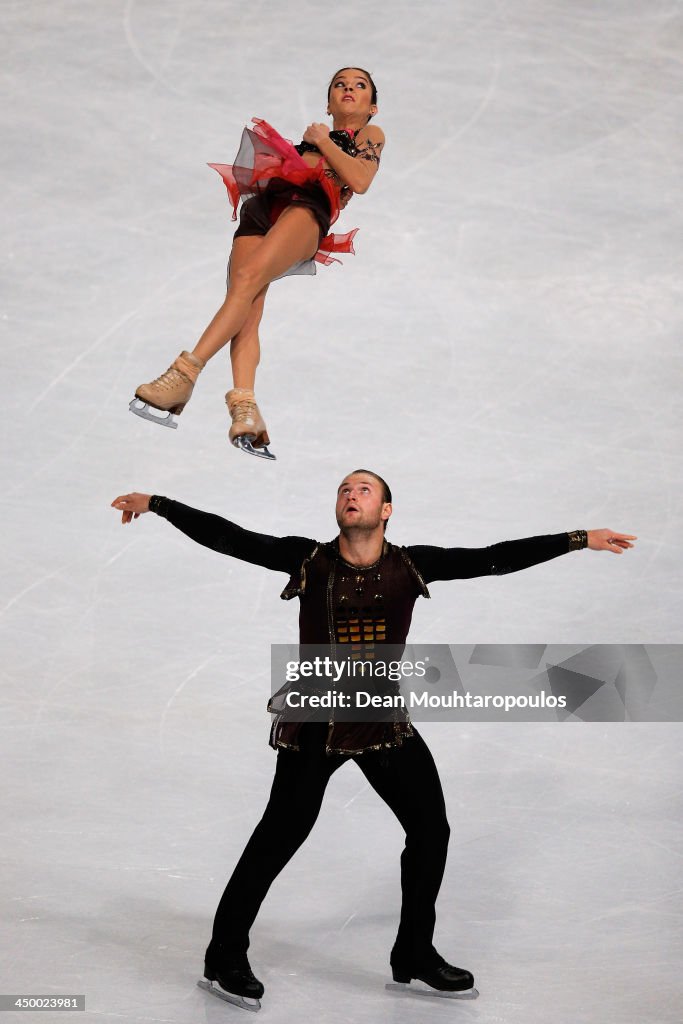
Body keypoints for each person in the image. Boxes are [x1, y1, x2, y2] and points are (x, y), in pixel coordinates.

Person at [110, 471, 636, 1010]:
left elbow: (492, 557)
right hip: (316, 721)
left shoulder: (412, 564)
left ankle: (413, 954)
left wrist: (578, 539)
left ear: (386, 509)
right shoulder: (307, 560)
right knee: (278, 837)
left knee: (431, 830)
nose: (350, 495)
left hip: (380, 720)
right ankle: (224, 957)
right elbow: (232, 537)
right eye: (343, 489)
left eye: (363, 489)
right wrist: (158, 503)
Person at [129, 68, 384, 459]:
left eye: (359, 85)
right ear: (329, 102)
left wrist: (321, 142)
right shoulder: (312, 137)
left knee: (247, 278)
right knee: (246, 302)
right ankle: (245, 410)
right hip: (264, 208)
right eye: (340, 84)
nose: (349, 88)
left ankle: (184, 373)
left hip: (307, 211)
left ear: (373, 106)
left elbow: (361, 180)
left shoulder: (368, 135)